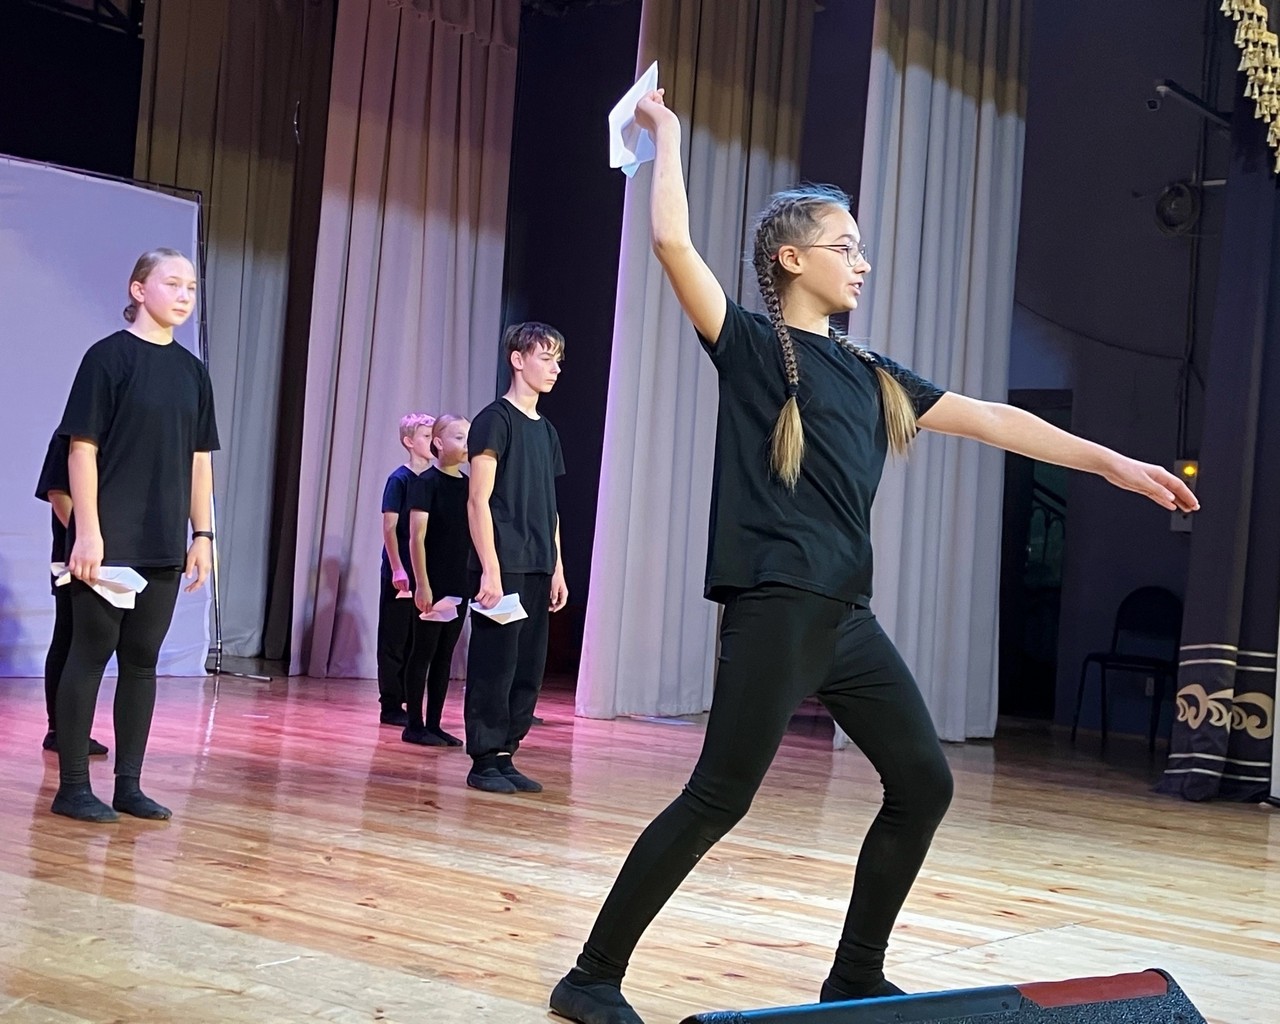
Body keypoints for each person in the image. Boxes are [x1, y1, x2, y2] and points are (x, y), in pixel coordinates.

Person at [549, 89, 1199, 1024]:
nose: (862, 261)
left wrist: (1113, 464)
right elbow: (670, 243)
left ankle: (854, 974)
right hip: (779, 605)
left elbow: (996, 418)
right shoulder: (754, 347)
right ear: (791, 258)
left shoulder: (872, 374)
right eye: (844, 246)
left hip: (846, 619)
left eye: (860, 248)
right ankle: (590, 976)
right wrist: (669, 134)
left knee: (923, 783)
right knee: (718, 798)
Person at [52, 247, 219, 823]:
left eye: (191, 287)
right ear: (139, 289)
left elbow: (200, 459)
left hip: (162, 540)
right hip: (109, 537)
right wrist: (88, 532)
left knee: (142, 661)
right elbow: (81, 449)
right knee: (90, 653)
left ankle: (129, 785)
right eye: (172, 283)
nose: (184, 295)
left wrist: (203, 533)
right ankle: (73, 787)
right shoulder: (107, 358)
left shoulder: (193, 372)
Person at [464, 323, 569, 794]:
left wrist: (557, 567)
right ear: (518, 359)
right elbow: (478, 499)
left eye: (558, 360)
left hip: (538, 563)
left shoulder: (546, 431)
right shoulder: (494, 420)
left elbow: (551, 506)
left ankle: (506, 752)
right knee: (496, 665)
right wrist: (490, 568)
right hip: (503, 563)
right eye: (545, 358)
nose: (555, 368)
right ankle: (484, 758)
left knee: (527, 667)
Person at [35, 432, 108, 758]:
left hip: (109, 556)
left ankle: (73, 730)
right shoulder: (69, 435)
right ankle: (59, 730)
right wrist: (83, 537)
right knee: (68, 637)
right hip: (76, 554)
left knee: (87, 641)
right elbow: (57, 492)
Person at [404, 414, 473, 747]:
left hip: (459, 582)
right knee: (424, 653)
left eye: (468, 437)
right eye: (458, 437)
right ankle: (414, 725)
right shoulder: (426, 483)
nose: (466, 444)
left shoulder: (469, 485)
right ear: (438, 442)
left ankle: (434, 724)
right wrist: (422, 583)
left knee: (445, 655)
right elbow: (416, 537)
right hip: (433, 582)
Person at [375, 413, 435, 727]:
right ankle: (390, 704)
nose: (432, 441)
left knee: (418, 641)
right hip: (402, 574)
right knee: (395, 639)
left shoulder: (435, 479)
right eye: (426, 436)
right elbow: (390, 528)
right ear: (409, 441)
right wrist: (398, 569)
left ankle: (414, 702)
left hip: (426, 573)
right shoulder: (400, 480)